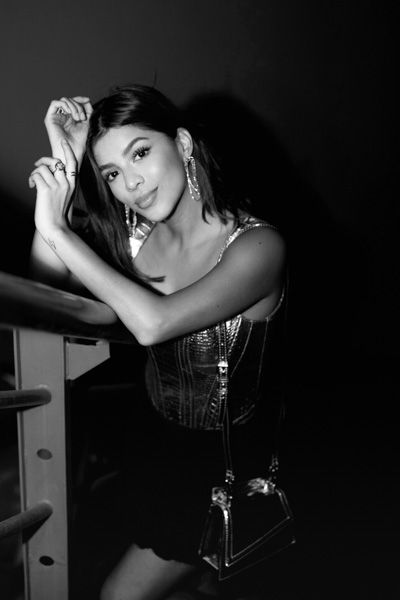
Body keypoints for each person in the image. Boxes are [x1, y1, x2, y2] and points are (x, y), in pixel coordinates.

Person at [29, 84, 287, 600]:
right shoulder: (136, 234)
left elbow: (153, 323)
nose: (130, 184)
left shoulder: (259, 245)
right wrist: (67, 166)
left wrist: (57, 229)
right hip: (150, 436)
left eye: (140, 153)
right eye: (111, 174)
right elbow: (45, 285)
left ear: (183, 144)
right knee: (182, 571)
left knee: (118, 594)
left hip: (217, 465)